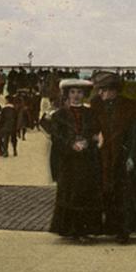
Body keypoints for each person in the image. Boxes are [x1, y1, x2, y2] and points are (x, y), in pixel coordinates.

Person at [91, 72, 136, 243]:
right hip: (103, 158)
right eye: (100, 90)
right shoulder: (96, 106)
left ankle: (123, 231)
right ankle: (108, 227)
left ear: (114, 90)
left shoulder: (128, 108)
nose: (100, 93)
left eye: (104, 90)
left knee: (124, 197)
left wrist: (132, 157)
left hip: (121, 159)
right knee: (105, 193)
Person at [46, 79, 103, 241]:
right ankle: (70, 229)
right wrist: (71, 144)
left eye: (79, 92)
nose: (76, 96)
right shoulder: (59, 115)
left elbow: (95, 132)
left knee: (85, 193)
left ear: (84, 95)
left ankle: (85, 229)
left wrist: (87, 141)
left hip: (86, 160)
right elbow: (56, 136)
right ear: (67, 95)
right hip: (68, 160)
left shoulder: (91, 114)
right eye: (72, 92)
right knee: (69, 193)